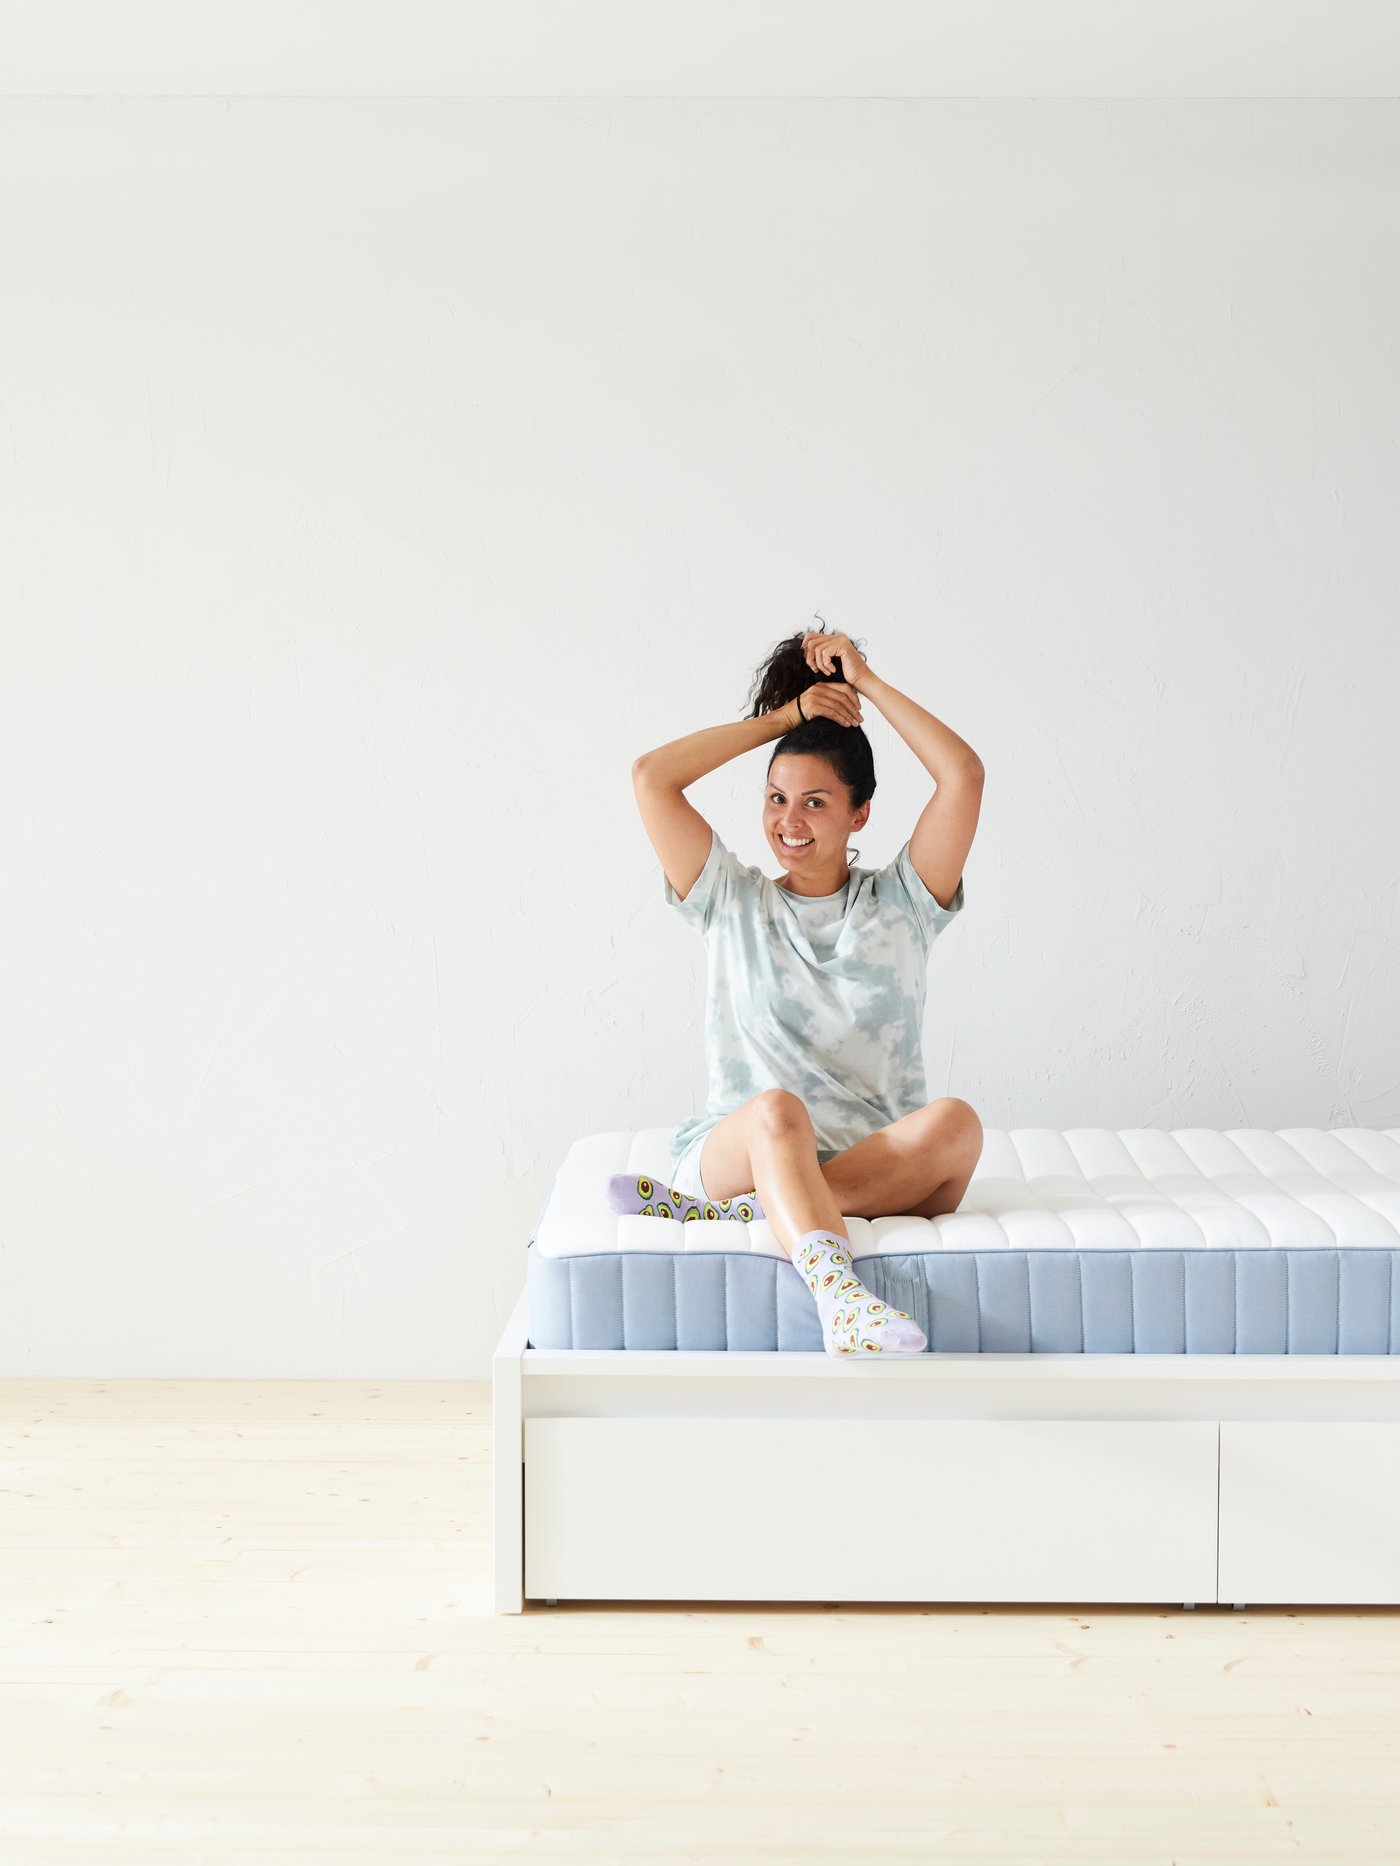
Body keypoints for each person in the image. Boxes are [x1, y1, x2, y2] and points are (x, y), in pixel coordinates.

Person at [619, 621, 986, 1356]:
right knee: (776, 1112)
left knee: (956, 1124)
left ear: (860, 815)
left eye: (816, 802)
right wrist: (789, 718)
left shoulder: (903, 906)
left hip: (879, 1166)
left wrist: (870, 687)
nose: (789, 821)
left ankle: (752, 1213)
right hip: (743, 1150)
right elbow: (650, 776)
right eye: (777, 798)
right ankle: (838, 1295)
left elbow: (964, 778)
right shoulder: (729, 900)